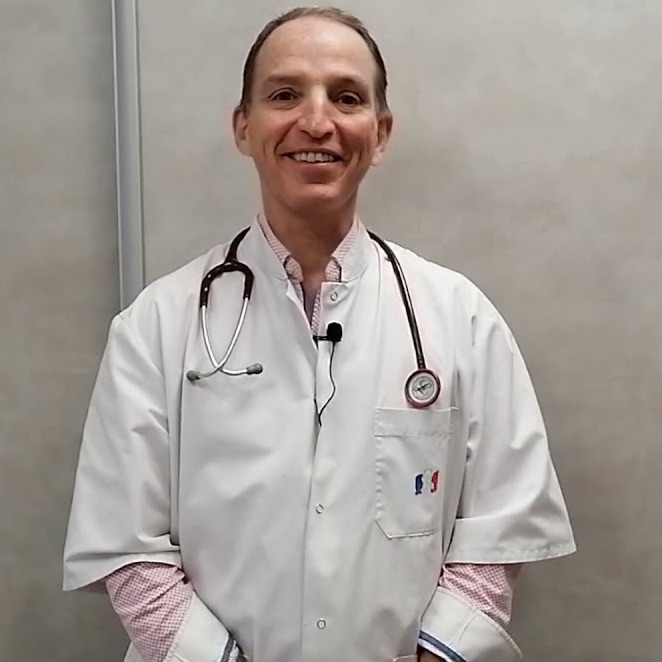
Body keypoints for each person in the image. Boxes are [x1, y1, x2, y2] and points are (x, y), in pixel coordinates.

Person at [63, 7, 576, 662]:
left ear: (380, 132)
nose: (316, 121)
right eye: (284, 94)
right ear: (243, 126)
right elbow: (128, 550)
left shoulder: (460, 319)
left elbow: (499, 536)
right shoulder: (156, 325)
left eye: (346, 97)